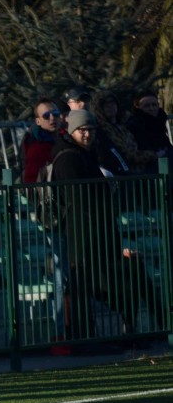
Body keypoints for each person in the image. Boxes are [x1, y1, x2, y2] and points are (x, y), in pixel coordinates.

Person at [50, 110, 163, 342]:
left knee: (135, 271)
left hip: (101, 240)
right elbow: (81, 202)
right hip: (85, 245)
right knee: (122, 281)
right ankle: (147, 327)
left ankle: (149, 326)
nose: (87, 134)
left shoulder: (85, 155)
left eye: (91, 130)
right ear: (72, 131)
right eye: (83, 130)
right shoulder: (69, 158)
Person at [90, 91, 156, 176]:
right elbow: (129, 155)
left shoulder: (122, 126)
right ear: (99, 108)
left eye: (112, 102)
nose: (110, 106)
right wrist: (155, 155)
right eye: (105, 104)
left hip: (140, 168)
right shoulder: (102, 130)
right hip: (127, 174)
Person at [20, 97, 61, 183]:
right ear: (38, 121)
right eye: (46, 116)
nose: (52, 118)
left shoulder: (64, 137)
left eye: (56, 113)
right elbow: (30, 181)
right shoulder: (36, 148)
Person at [125, 89, 172, 160]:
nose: (151, 108)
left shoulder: (159, 123)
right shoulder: (133, 126)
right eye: (146, 106)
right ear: (138, 107)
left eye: (154, 105)